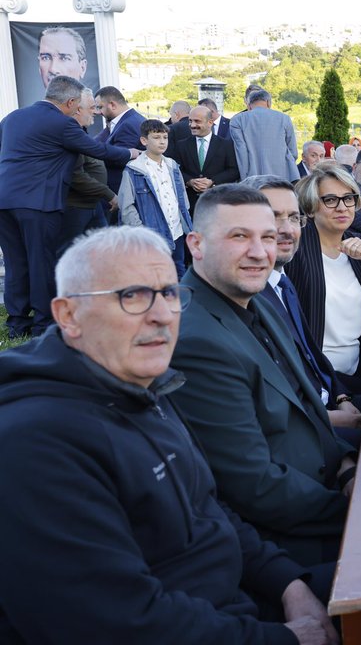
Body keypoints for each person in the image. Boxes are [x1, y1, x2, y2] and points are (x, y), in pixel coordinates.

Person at [0, 227, 338, 645]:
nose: (160, 314)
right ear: (68, 315)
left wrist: (291, 584)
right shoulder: (34, 444)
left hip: (235, 601)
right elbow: (114, 623)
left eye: (168, 293)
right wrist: (284, 638)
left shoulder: (140, 385)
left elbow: (211, 509)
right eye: (132, 296)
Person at [170, 185, 355, 570]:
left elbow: (307, 408)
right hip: (291, 539)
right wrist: (357, 510)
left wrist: (348, 465)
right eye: (239, 236)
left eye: (267, 237)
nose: (259, 252)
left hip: (324, 483)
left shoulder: (254, 301)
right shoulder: (196, 339)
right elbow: (253, 486)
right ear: (196, 244)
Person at [0, 77, 135, 337]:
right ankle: (43, 325)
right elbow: (99, 151)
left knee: (16, 263)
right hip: (38, 204)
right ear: (71, 101)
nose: (78, 112)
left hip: (5, 201)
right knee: (41, 263)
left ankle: (17, 323)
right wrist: (131, 153)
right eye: (77, 107)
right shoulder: (61, 123)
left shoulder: (13, 117)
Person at [242, 175, 361, 444]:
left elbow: (309, 358)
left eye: (293, 218)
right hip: (310, 430)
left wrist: (340, 397)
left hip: (331, 396)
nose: (286, 229)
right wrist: (334, 424)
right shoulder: (250, 295)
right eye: (274, 218)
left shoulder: (281, 283)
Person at [289, 164, 361, 396]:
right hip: (322, 377)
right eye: (330, 200)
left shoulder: (355, 243)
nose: (342, 207)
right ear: (310, 209)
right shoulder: (295, 253)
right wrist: (336, 395)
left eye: (348, 198)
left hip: (360, 365)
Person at [118, 119, 193, 277]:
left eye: (165, 137)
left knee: (179, 269)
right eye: (156, 137)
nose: (162, 142)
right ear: (144, 140)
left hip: (176, 230)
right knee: (155, 273)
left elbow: (181, 195)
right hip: (152, 232)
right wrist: (140, 231)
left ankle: (180, 301)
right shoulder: (134, 169)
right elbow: (126, 206)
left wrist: (184, 218)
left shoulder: (172, 165)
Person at [60, 87, 114, 255]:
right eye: (92, 108)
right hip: (76, 208)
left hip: (92, 205)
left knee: (103, 253)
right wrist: (109, 194)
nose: (96, 112)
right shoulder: (69, 135)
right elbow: (75, 175)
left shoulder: (81, 133)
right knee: (69, 254)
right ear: (77, 109)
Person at [167, 104, 240, 212]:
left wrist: (212, 182)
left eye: (197, 121)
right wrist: (190, 181)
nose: (192, 125)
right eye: (190, 121)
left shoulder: (226, 145)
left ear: (210, 122)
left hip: (218, 203)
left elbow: (233, 170)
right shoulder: (181, 145)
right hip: (191, 205)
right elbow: (176, 169)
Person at [229, 88, 299, 181]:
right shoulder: (284, 118)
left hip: (253, 176)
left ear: (249, 105)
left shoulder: (237, 120)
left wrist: (244, 177)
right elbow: (293, 151)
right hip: (282, 175)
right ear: (268, 102)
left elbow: (241, 151)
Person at [95, 85, 148, 194]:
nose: (98, 112)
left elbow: (118, 157)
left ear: (112, 105)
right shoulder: (126, 121)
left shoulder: (129, 124)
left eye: (100, 107)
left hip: (121, 190)